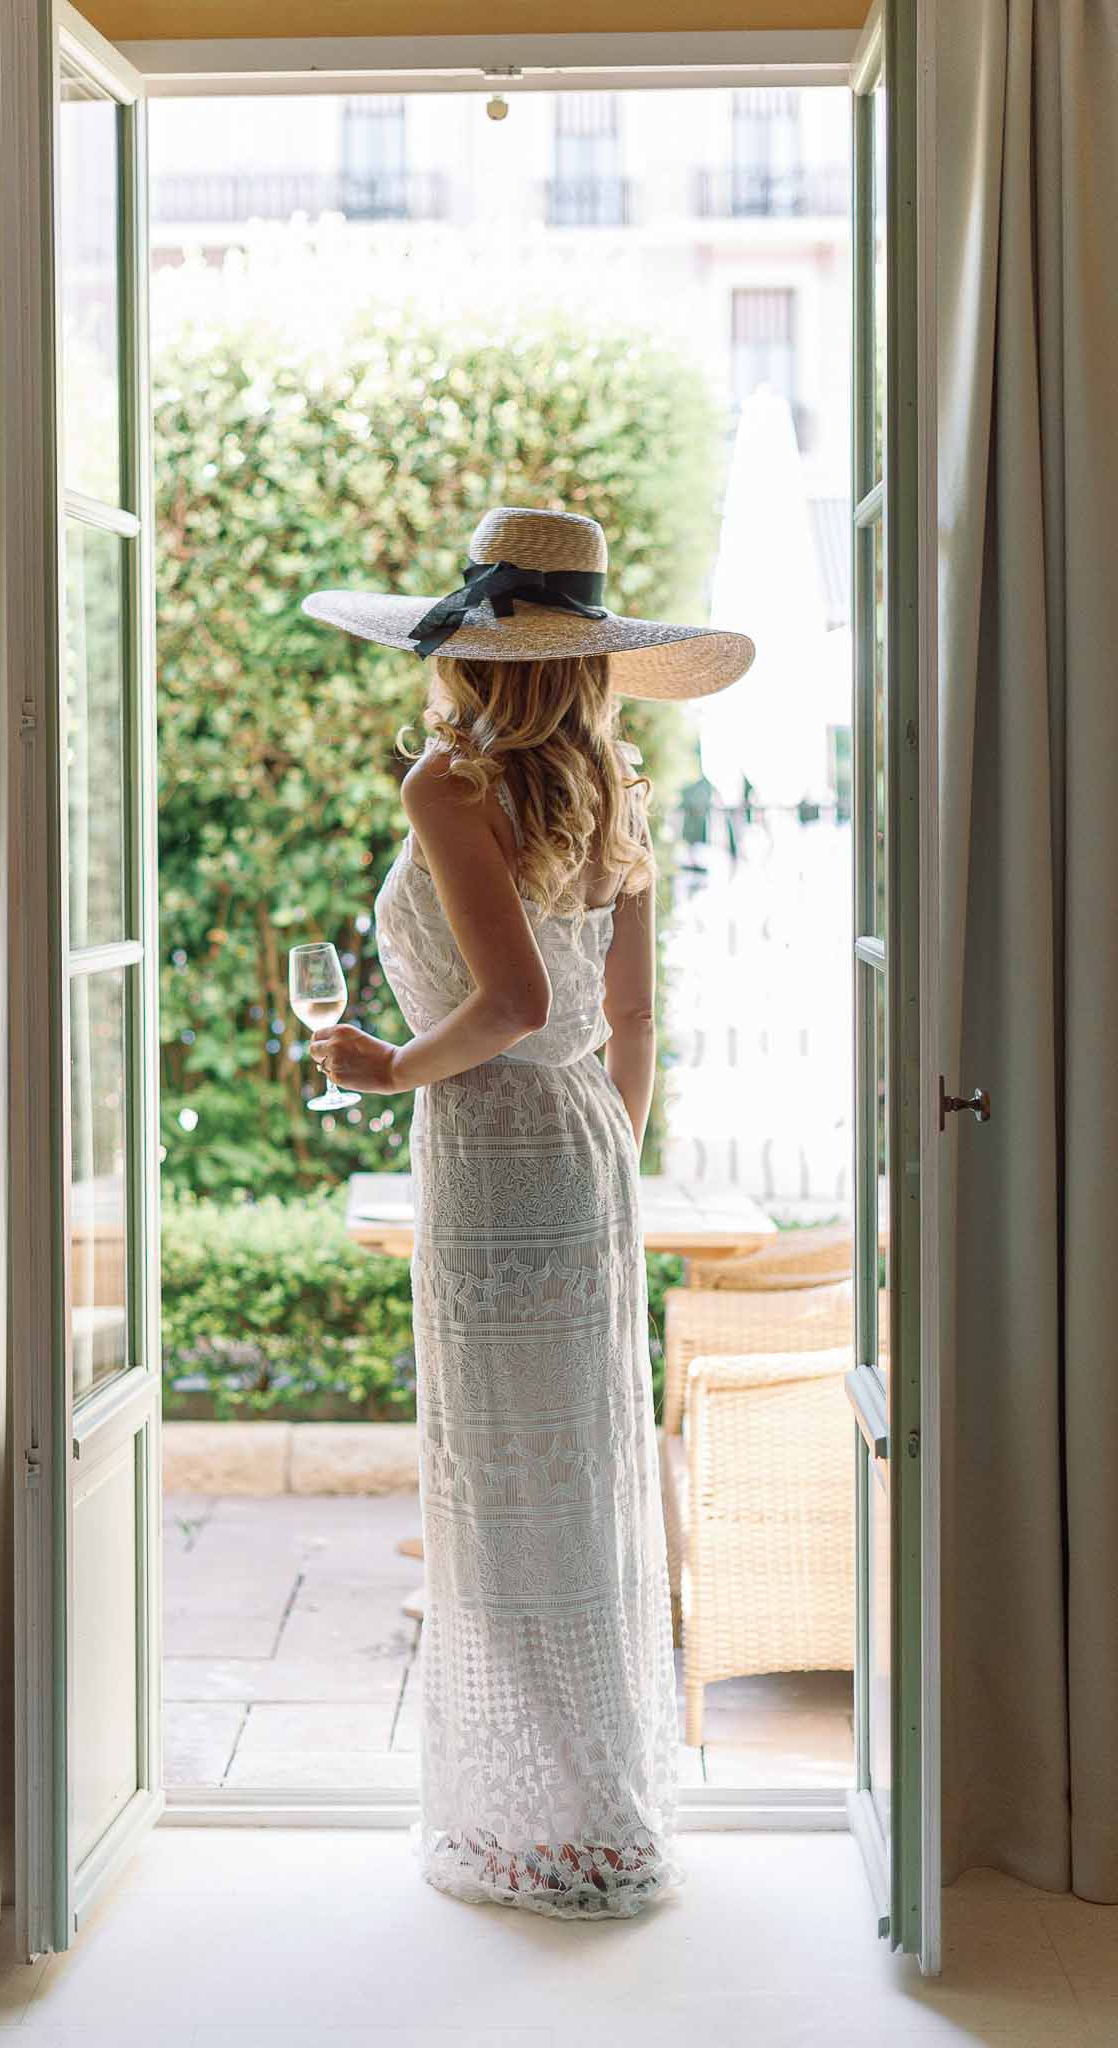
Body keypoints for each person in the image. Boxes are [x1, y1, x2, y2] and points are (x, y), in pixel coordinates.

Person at [300, 507, 753, 1917]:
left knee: (509, 1490)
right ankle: (589, 1815)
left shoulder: (449, 785)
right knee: (581, 1481)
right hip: (579, 1150)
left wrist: (386, 1069)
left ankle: (540, 1825)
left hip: (493, 1153)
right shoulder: (616, 785)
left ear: (480, 655)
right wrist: (606, 1148)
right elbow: (628, 1015)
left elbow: (511, 1004)